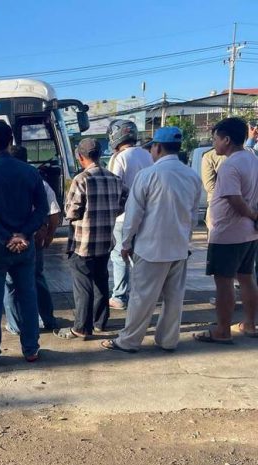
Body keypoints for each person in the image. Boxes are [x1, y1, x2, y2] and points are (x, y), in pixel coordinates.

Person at [100, 127, 203, 353]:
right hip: (179, 248)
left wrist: (125, 244)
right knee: (174, 299)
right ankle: (168, 340)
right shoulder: (192, 176)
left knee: (142, 298)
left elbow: (134, 215)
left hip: (151, 248)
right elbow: (194, 216)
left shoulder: (148, 175)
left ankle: (129, 341)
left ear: (156, 147)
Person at [0, 120, 47, 366]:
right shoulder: (30, 172)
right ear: (11, 141)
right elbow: (42, 209)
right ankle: (31, 349)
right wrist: (23, 234)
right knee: (27, 294)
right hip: (25, 247)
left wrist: (6, 237)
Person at [194, 117, 258, 343]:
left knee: (224, 283)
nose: (214, 143)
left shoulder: (230, 164)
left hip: (228, 234)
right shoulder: (252, 159)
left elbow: (234, 198)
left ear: (227, 139)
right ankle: (249, 324)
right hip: (248, 233)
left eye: (215, 139)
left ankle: (222, 330)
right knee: (247, 278)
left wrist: (252, 214)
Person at [56, 138, 124, 340]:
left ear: (80, 157)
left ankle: (81, 328)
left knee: (83, 286)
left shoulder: (81, 179)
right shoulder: (114, 178)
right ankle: (100, 322)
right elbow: (123, 202)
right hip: (105, 241)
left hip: (83, 243)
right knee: (101, 282)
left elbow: (71, 211)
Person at [4, 145, 61, 334]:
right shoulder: (40, 182)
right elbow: (53, 214)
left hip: (6, 241)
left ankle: (15, 325)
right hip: (33, 239)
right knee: (36, 278)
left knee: (10, 283)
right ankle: (48, 320)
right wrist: (50, 236)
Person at [105, 120, 153, 310]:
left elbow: (114, 185)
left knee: (119, 256)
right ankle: (144, 292)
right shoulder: (147, 155)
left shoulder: (119, 157)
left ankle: (119, 296)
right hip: (147, 215)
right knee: (141, 254)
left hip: (123, 217)